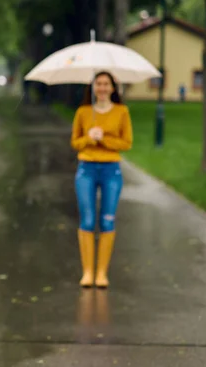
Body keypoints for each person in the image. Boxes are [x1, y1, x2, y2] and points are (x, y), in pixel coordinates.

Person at [71, 71, 133, 289]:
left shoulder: (122, 112)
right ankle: (87, 272)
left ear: (113, 88)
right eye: (99, 84)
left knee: (107, 221)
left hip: (111, 170)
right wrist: (89, 137)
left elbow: (126, 143)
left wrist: (104, 139)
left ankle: (101, 273)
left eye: (107, 84)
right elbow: (75, 142)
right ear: (93, 87)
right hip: (86, 169)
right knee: (87, 220)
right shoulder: (83, 112)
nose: (103, 88)